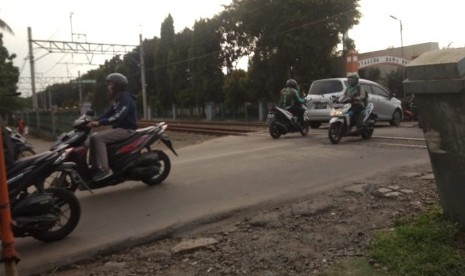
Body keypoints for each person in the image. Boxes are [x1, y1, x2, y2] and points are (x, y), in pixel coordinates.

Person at [86, 73, 137, 181]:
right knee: (92, 137)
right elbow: (108, 114)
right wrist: (95, 120)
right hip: (119, 129)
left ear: (117, 85)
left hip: (126, 130)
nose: (108, 87)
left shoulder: (125, 99)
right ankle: (94, 167)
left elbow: (117, 117)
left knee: (98, 138)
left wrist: (99, 123)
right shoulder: (118, 99)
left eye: (110, 84)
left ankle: (104, 170)